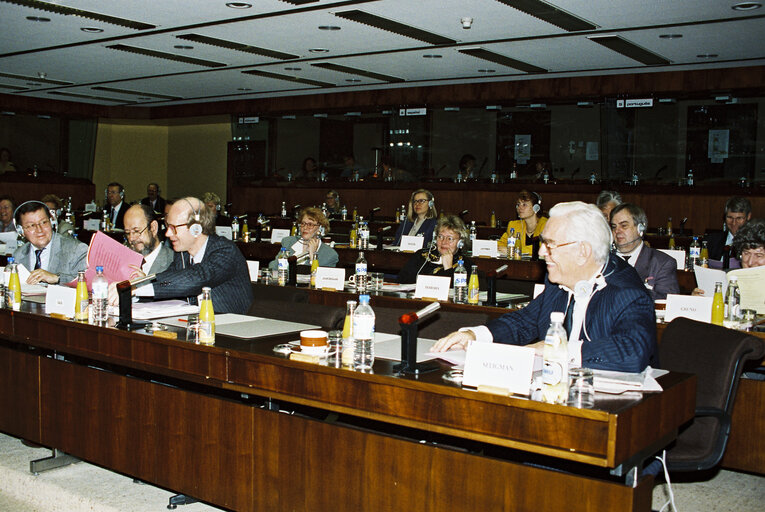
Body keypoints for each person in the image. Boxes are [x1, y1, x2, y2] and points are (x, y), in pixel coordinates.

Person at [433, 201, 658, 373]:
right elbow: (526, 321)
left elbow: (633, 352)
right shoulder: (557, 280)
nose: (541, 253)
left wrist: (556, 350)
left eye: (549, 245)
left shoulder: (627, 292)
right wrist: (476, 336)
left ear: (582, 251)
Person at [111, 197, 253, 314]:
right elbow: (169, 279)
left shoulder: (226, 251)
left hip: (230, 334)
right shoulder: (182, 255)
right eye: (167, 227)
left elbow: (196, 278)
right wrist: (136, 286)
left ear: (196, 228)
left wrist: (135, 288)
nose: (167, 234)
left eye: (174, 228)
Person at [610, 203, 679, 300]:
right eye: (614, 227)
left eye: (624, 226)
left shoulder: (662, 263)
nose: (617, 231)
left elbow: (666, 300)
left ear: (640, 228)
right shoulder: (603, 259)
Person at [12, 200, 87, 284]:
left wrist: (57, 278)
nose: (39, 230)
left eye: (44, 222)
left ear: (52, 223)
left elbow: (87, 282)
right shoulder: (18, 255)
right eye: (32, 225)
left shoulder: (76, 249)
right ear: (21, 231)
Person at [398, 214, 472, 284]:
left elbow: (456, 290)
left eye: (450, 238)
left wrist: (448, 269)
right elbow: (401, 280)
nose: (444, 242)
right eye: (440, 236)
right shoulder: (421, 255)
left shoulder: (465, 265)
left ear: (460, 242)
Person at [268, 207, 338, 269]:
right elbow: (272, 267)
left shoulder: (330, 255)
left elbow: (322, 278)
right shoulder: (288, 242)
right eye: (303, 223)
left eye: (310, 224)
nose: (305, 227)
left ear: (320, 228)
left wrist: (313, 258)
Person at [123, 204, 174, 276]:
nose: (131, 238)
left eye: (137, 231)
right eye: (128, 233)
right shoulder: (125, 259)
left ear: (153, 228)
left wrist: (144, 285)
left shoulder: (172, 263)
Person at [496, 190, 547, 257]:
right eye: (518, 204)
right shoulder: (514, 225)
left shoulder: (546, 225)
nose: (520, 208)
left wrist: (512, 250)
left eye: (524, 205)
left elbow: (542, 249)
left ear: (536, 208)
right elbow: (500, 244)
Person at [705, 196, 752, 261]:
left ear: (748, 217)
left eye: (739, 218)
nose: (734, 223)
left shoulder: (755, 242)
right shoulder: (711, 241)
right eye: (730, 217)